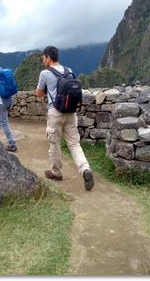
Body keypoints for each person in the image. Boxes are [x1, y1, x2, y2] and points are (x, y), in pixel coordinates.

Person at [35, 46, 94, 191]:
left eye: (44, 58)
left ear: (48, 57)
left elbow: (39, 93)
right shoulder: (69, 70)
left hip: (55, 112)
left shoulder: (45, 73)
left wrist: (47, 92)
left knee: (54, 143)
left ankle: (56, 172)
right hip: (71, 112)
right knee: (74, 144)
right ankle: (85, 169)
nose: (43, 60)